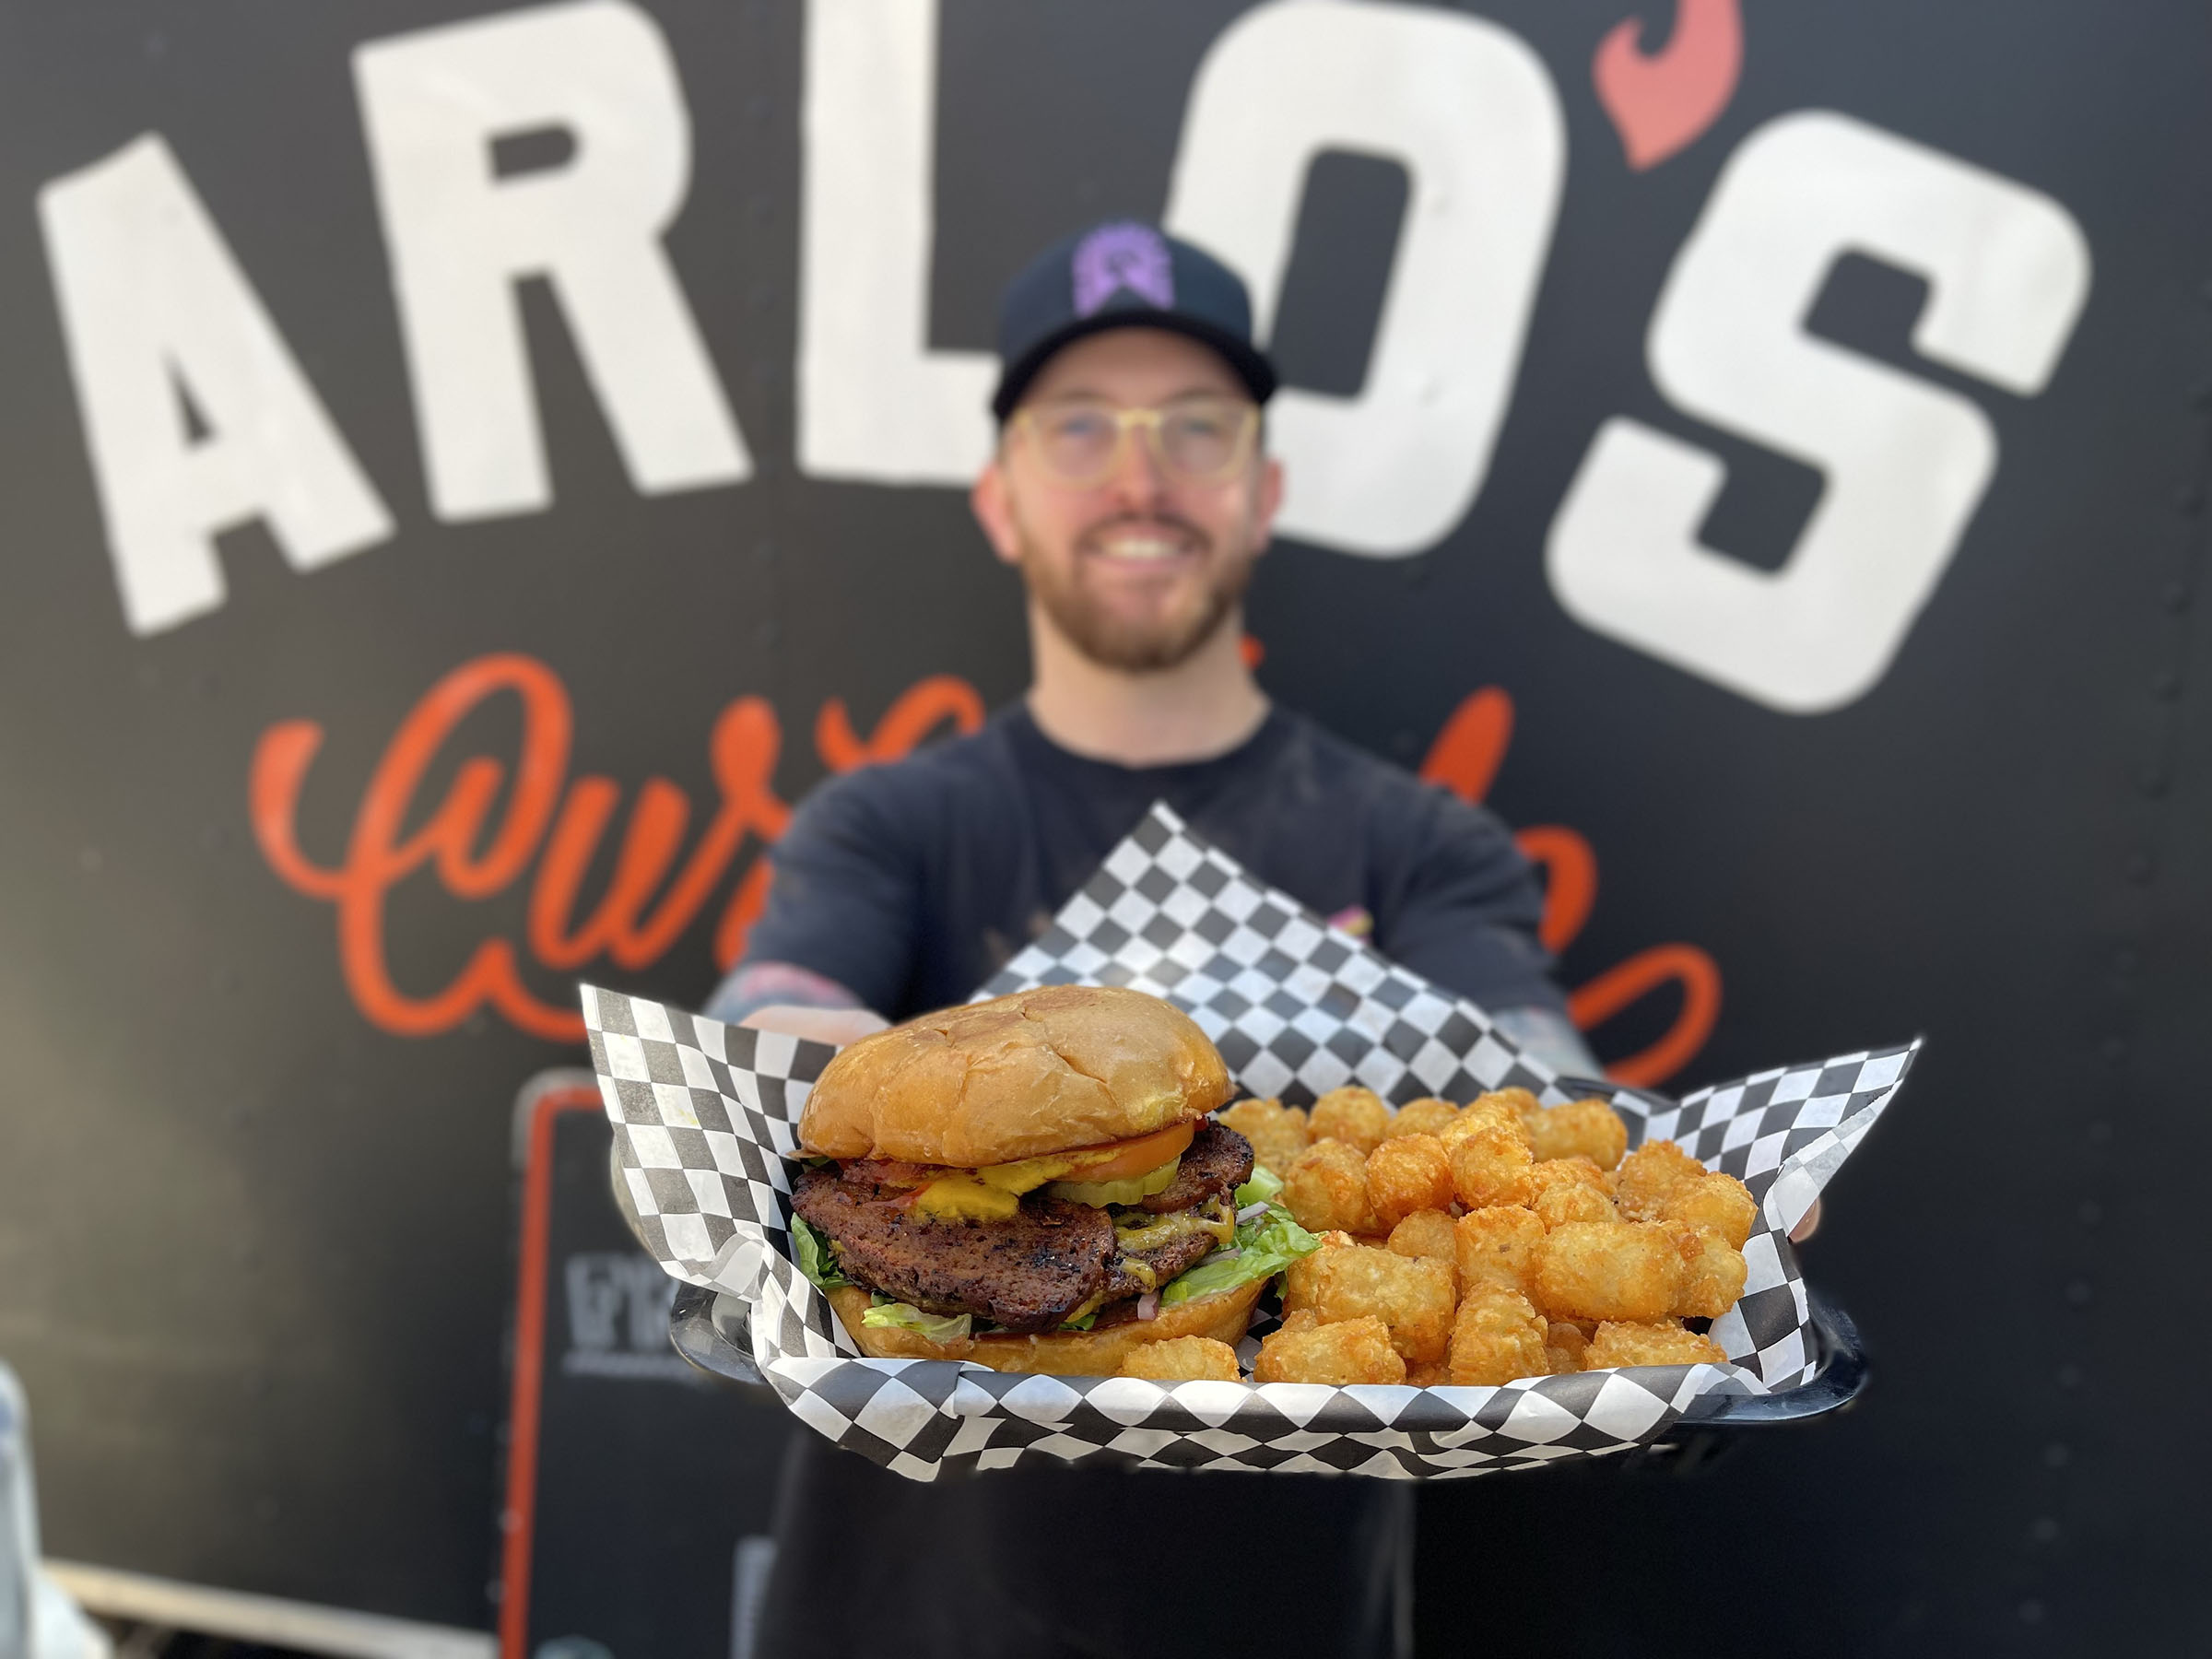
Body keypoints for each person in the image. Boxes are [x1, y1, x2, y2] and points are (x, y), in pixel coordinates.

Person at [708, 221, 1597, 1659]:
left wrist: (1619, 1137)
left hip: (1285, 1618)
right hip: (895, 1620)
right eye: (1079, 429)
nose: (1139, 475)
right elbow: (781, 1010)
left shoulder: (1419, 845)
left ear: (1265, 491)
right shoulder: (885, 825)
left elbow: (1537, 1076)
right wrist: (772, 1078)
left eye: (1198, 428)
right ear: (1000, 498)